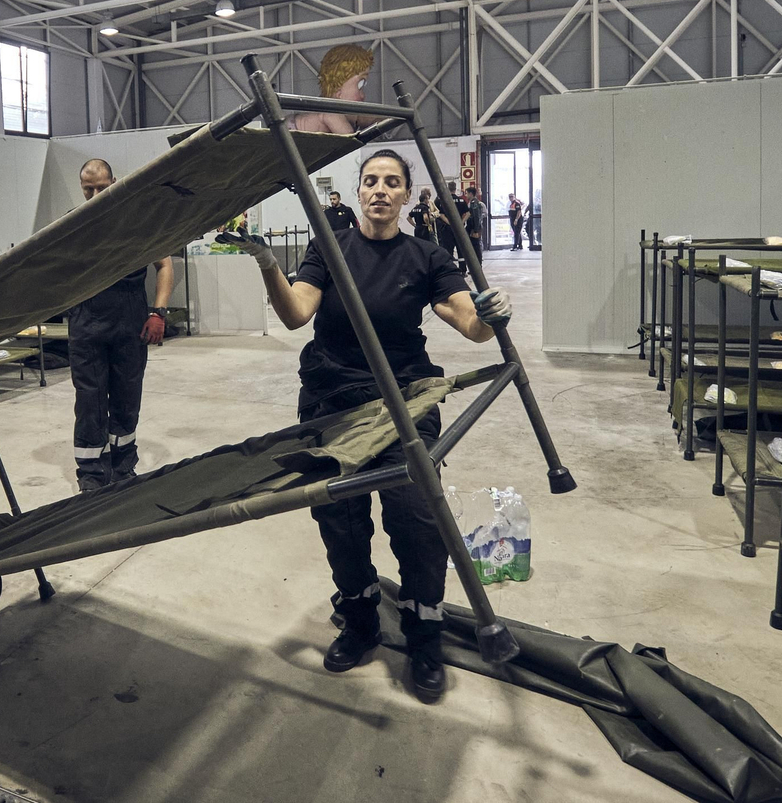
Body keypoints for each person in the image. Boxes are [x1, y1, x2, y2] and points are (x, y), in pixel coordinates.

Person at [223, 150, 513, 701]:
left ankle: (424, 637)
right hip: (332, 399)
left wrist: (491, 314)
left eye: (392, 182)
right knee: (341, 518)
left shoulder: (427, 256)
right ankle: (359, 623)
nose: (380, 190)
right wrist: (267, 264)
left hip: (405, 399)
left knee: (417, 515)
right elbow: (296, 314)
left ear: (405, 195)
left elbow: (468, 323)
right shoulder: (328, 249)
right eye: (371, 181)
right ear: (359, 192)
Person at [67, 159, 174, 492]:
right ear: (81, 187)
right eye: (88, 189)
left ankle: (123, 467)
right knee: (90, 401)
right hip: (86, 321)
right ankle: (91, 474)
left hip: (130, 321)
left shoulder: (137, 222)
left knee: (127, 397)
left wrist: (158, 313)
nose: (95, 194)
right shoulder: (72, 225)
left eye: (102, 187)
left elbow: (164, 265)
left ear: (114, 181)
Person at [290, 45, 378, 135]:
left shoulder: (342, 112)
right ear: (338, 93)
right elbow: (348, 138)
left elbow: (365, 118)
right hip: (287, 134)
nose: (363, 96)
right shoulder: (330, 112)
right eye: (360, 85)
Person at [464, 185, 485, 265]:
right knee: (473, 246)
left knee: (476, 246)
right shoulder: (471, 203)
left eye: (467, 193)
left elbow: (476, 217)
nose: (466, 195)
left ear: (471, 194)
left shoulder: (474, 203)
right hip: (472, 227)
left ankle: (478, 265)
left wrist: (476, 230)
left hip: (474, 227)